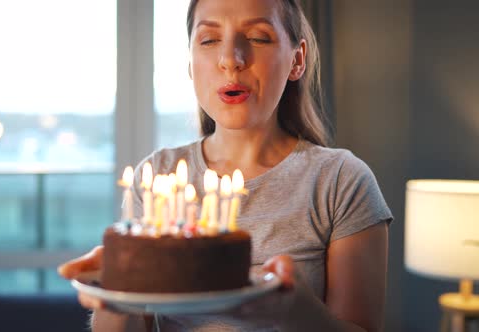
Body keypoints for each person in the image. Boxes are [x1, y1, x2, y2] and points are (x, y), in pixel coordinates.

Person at [58, 0, 393, 331]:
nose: (231, 60)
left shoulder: (341, 181)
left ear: (297, 59)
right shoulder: (161, 176)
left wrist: (295, 311)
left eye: (259, 37)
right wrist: (114, 292)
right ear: (190, 63)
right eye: (209, 40)